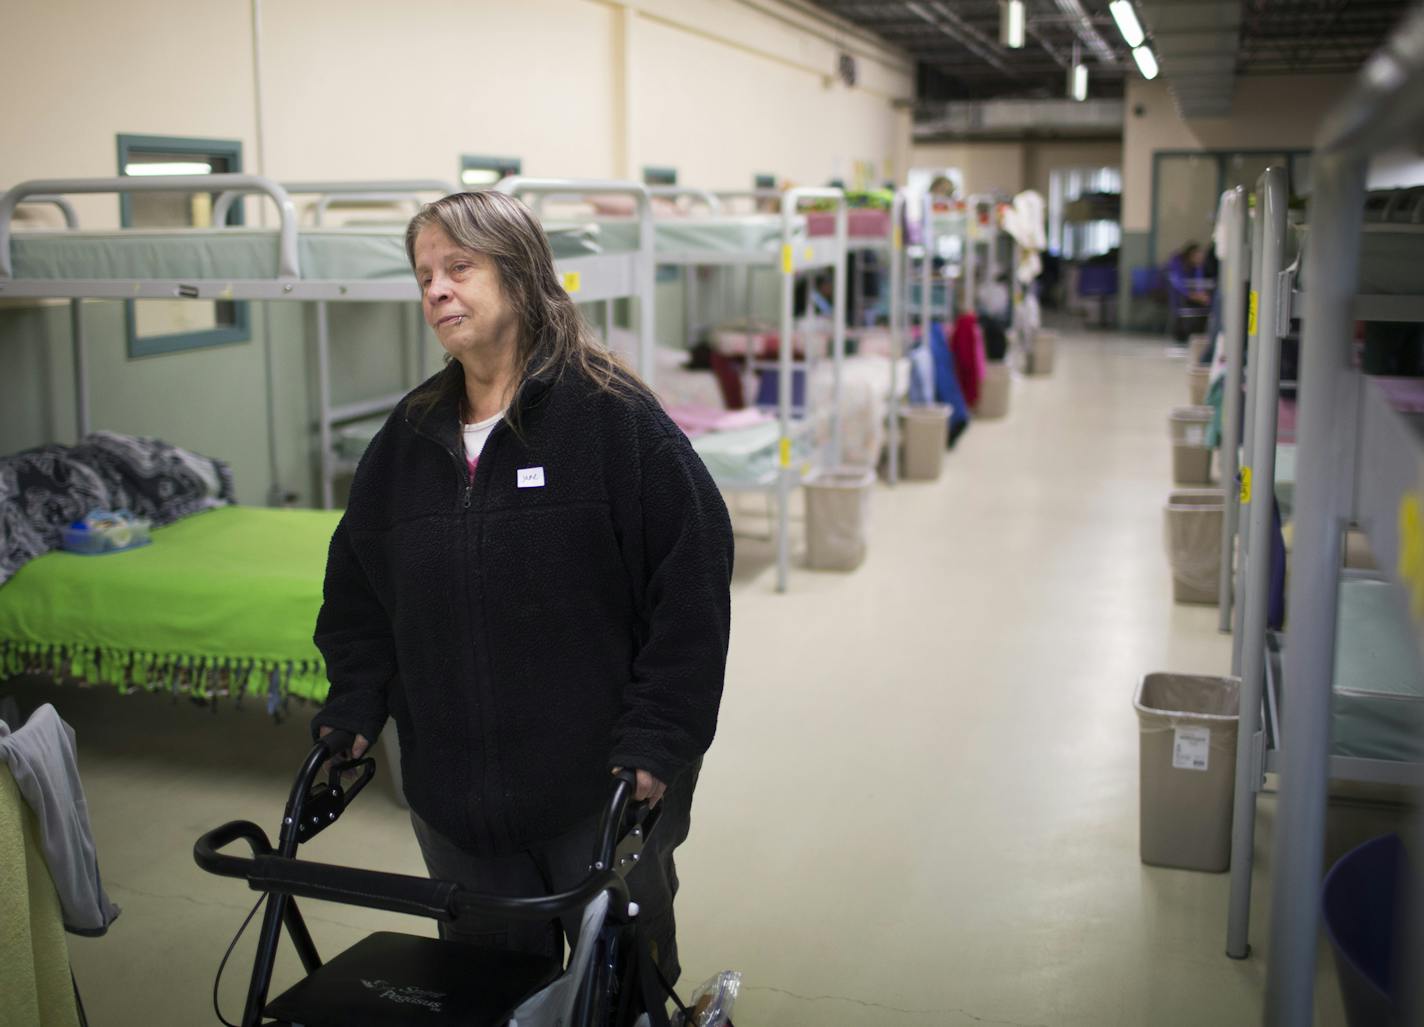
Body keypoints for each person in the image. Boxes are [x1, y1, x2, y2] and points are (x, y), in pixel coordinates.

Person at [310, 190, 734, 987]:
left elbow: (693, 585)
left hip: (601, 789)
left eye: (459, 267)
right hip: (457, 801)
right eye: (424, 274)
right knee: (491, 990)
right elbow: (360, 593)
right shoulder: (406, 441)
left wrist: (657, 739)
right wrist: (355, 704)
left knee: (619, 985)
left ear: (522, 275)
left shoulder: (612, 420)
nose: (436, 289)